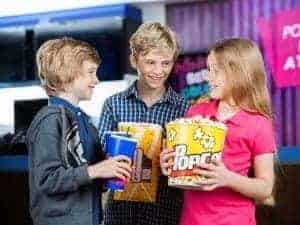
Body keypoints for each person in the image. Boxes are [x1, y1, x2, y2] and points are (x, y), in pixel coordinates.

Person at [160, 38, 276, 225]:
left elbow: (265, 187)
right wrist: (170, 166)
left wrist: (227, 178)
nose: (209, 77)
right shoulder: (195, 112)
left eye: (216, 71)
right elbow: (184, 177)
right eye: (209, 69)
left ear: (239, 73)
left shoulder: (258, 124)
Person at [26, 37, 132, 225]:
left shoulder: (85, 122)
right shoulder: (50, 120)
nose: (96, 81)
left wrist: (109, 169)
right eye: (91, 72)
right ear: (67, 74)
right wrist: (97, 170)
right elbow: (47, 180)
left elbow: (88, 176)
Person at [98, 22, 190, 225]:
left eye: (165, 63)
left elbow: (188, 174)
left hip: (165, 216)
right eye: (150, 62)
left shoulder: (184, 110)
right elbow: (99, 162)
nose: (158, 70)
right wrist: (108, 160)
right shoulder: (114, 105)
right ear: (134, 59)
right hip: (120, 216)